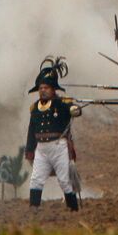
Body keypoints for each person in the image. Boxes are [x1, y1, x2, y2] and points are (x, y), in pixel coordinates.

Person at [24, 57, 82, 211]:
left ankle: (73, 208)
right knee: (36, 179)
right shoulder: (34, 108)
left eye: (46, 87)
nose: (43, 90)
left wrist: (74, 110)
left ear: (53, 89)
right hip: (41, 149)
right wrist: (29, 150)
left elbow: (75, 109)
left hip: (59, 146)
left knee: (64, 180)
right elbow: (32, 130)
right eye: (41, 87)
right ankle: (34, 207)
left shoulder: (62, 104)